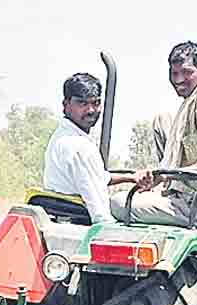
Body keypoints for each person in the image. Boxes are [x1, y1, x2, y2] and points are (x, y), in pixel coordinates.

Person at [111, 41, 197, 228]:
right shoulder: (191, 100)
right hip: (183, 195)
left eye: (187, 72)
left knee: (117, 203)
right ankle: (162, 190)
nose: (179, 79)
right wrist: (158, 176)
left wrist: (171, 174)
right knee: (162, 119)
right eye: (174, 73)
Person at [42, 72, 139, 224]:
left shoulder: (60, 137)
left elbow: (96, 178)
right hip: (80, 223)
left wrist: (131, 177)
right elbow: (100, 213)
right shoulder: (80, 146)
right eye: (82, 103)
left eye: (95, 103)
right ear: (66, 105)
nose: (91, 110)